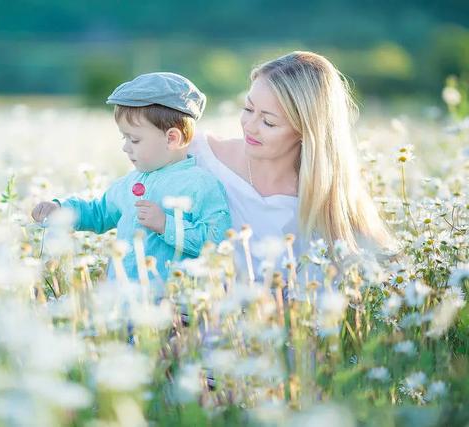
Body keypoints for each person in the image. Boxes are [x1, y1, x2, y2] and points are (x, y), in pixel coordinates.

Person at [189, 51, 395, 282]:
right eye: (248, 109)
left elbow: (388, 275)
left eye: (269, 121)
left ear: (305, 131)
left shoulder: (327, 208)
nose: (250, 126)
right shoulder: (196, 157)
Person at [31, 72, 232, 281]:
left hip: (170, 303)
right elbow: (98, 212)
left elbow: (217, 242)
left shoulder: (201, 184)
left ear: (172, 138)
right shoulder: (131, 182)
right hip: (122, 298)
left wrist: (166, 225)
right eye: (124, 137)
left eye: (134, 140)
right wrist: (61, 209)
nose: (125, 147)